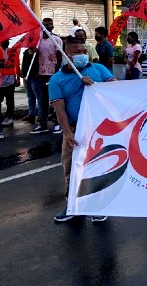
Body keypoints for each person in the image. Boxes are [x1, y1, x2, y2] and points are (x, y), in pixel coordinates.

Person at [51, 36, 116, 223]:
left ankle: (98, 205)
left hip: (100, 129)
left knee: (101, 166)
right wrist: (67, 132)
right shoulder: (57, 79)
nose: (82, 55)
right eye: (76, 52)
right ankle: (72, 206)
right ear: (65, 54)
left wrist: (97, 86)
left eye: (84, 51)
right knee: (71, 169)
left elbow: (118, 91)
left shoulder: (99, 70)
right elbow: (60, 109)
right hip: (74, 129)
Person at [32, 17, 62, 135]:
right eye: (45, 25)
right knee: (42, 100)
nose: (48, 27)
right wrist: (37, 72)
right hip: (42, 74)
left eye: (50, 25)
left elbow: (59, 57)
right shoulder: (38, 40)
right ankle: (43, 124)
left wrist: (55, 74)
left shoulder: (56, 40)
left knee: (55, 100)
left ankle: (57, 124)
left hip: (52, 74)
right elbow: (36, 57)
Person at [0, 40, 20, 126]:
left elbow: (17, 64)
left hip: (9, 79)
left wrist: (17, 77)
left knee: (9, 100)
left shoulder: (13, 51)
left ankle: (10, 117)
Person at [20, 46, 40, 124]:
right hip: (26, 75)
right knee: (30, 96)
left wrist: (38, 73)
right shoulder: (25, 52)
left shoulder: (38, 52)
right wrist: (22, 71)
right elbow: (23, 62)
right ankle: (31, 113)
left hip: (34, 76)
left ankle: (40, 114)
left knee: (38, 95)